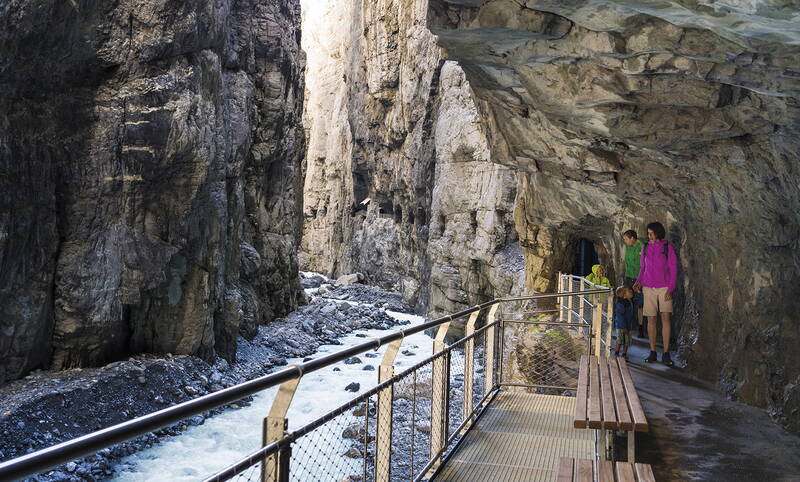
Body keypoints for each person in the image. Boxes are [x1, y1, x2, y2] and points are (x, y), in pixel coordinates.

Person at [634, 222, 678, 366]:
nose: (649, 236)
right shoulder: (645, 247)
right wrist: (638, 281)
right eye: (648, 233)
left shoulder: (667, 247)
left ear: (658, 233)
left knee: (665, 319)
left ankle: (666, 353)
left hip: (664, 287)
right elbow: (642, 267)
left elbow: (673, 268)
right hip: (648, 287)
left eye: (651, 233)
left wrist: (670, 289)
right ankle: (652, 351)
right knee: (651, 320)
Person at [622, 230, 645, 337]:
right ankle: (628, 326)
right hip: (628, 278)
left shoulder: (642, 246)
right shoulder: (628, 248)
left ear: (632, 238)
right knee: (628, 302)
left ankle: (640, 328)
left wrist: (640, 280)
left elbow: (644, 265)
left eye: (626, 239)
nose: (625, 241)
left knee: (640, 304)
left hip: (639, 279)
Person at [613, 286, 636, 359]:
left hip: (628, 326)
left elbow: (640, 301)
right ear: (624, 294)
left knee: (627, 341)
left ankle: (624, 354)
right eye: (629, 291)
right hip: (621, 326)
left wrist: (639, 292)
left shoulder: (631, 301)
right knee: (620, 340)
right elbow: (620, 316)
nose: (632, 292)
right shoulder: (621, 303)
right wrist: (623, 326)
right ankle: (616, 353)